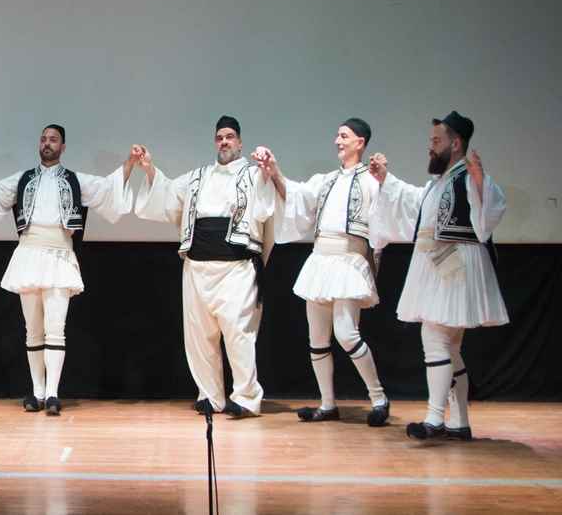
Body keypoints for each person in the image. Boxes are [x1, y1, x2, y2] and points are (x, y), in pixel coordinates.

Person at [0, 125, 136, 415]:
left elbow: (107, 189)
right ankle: (37, 391)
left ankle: (52, 393)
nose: (47, 144)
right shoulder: (23, 179)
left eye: (53, 140)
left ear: (63, 147)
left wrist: (129, 164)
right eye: (43, 139)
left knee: (56, 329)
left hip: (60, 255)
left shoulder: (75, 180)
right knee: (32, 329)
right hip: (28, 254)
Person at [369, 111, 507, 440]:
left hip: (455, 266)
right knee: (450, 346)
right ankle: (459, 422)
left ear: (455, 143)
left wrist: (478, 182)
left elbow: (487, 216)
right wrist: (387, 179)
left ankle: (434, 418)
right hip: (439, 265)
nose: (430, 147)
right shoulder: (440, 182)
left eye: (436, 141)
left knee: (434, 339)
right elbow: (415, 204)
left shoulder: (468, 177)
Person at [134, 116, 275, 418]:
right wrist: (148, 169)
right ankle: (211, 396)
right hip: (198, 267)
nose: (224, 142)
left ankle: (247, 398)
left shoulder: (253, 175)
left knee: (238, 334)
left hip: (236, 268)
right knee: (200, 336)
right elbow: (167, 194)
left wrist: (267, 169)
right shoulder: (197, 176)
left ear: (240, 143)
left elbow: (268, 207)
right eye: (219, 137)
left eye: (230, 137)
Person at [253, 118, 389, 426]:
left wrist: (383, 179)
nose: (337, 141)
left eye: (344, 136)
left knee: (346, 333)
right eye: (337, 136)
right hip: (321, 259)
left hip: (348, 259)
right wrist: (274, 171)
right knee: (317, 337)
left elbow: (384, 215)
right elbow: (299, 197)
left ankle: (379, 397)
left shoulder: (370, 180)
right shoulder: (326, 180)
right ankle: (328, 403)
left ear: (360, 142)